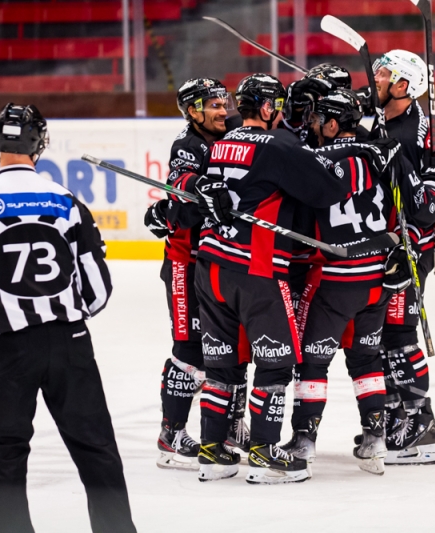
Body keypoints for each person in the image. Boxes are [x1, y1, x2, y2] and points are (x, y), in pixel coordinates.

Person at [0, 103, 137, 533]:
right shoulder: (66, 201)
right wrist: (69, 316)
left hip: (3, 348)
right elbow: (97, 290)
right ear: (39, 144)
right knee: (96, 448)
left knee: (3, 453)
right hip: (69, 343)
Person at [190, 73, 399, 484]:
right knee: (275, 364)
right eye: (279, 106)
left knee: (223, 366)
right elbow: (325, 192)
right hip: (257, 269)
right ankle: (265, 453)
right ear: (268, 108)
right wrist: (357, 147)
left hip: (210, 265)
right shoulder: (280, 146)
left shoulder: (221, 144)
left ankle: (214, 453)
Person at [282, 88, 435, 475]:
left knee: (312, 361)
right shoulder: (386, 152)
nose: (312, 126)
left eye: (319, 119)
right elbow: (422, 211)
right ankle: (375, 441)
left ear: (334, 123)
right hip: (375, 281)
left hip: (331, 281)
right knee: (367, 357)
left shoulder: (311, 159)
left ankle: (303, 444)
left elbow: (295, 224)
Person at [144, 78, 249, 470]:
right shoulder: (188, 146)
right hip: (185, 263)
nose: (224, 110)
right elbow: (182, 186)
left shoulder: (235, 132)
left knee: (232, 348)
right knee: (190, 350)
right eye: (214, 105)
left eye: (226, 102)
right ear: (192, 111)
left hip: (221, 262)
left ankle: (231, 428)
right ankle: (170, 435)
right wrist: (198, 188)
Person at [371, 50, 435, 465]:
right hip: (389, 242)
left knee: (398, 335)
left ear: (403, 86)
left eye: (383, 75)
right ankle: (396, 416)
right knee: (383, 336)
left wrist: (413, 249)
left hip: (408, 245)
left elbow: (424, 206)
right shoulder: (389, 120)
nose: (375, 79)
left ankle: (421, 424)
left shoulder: (409, 133)